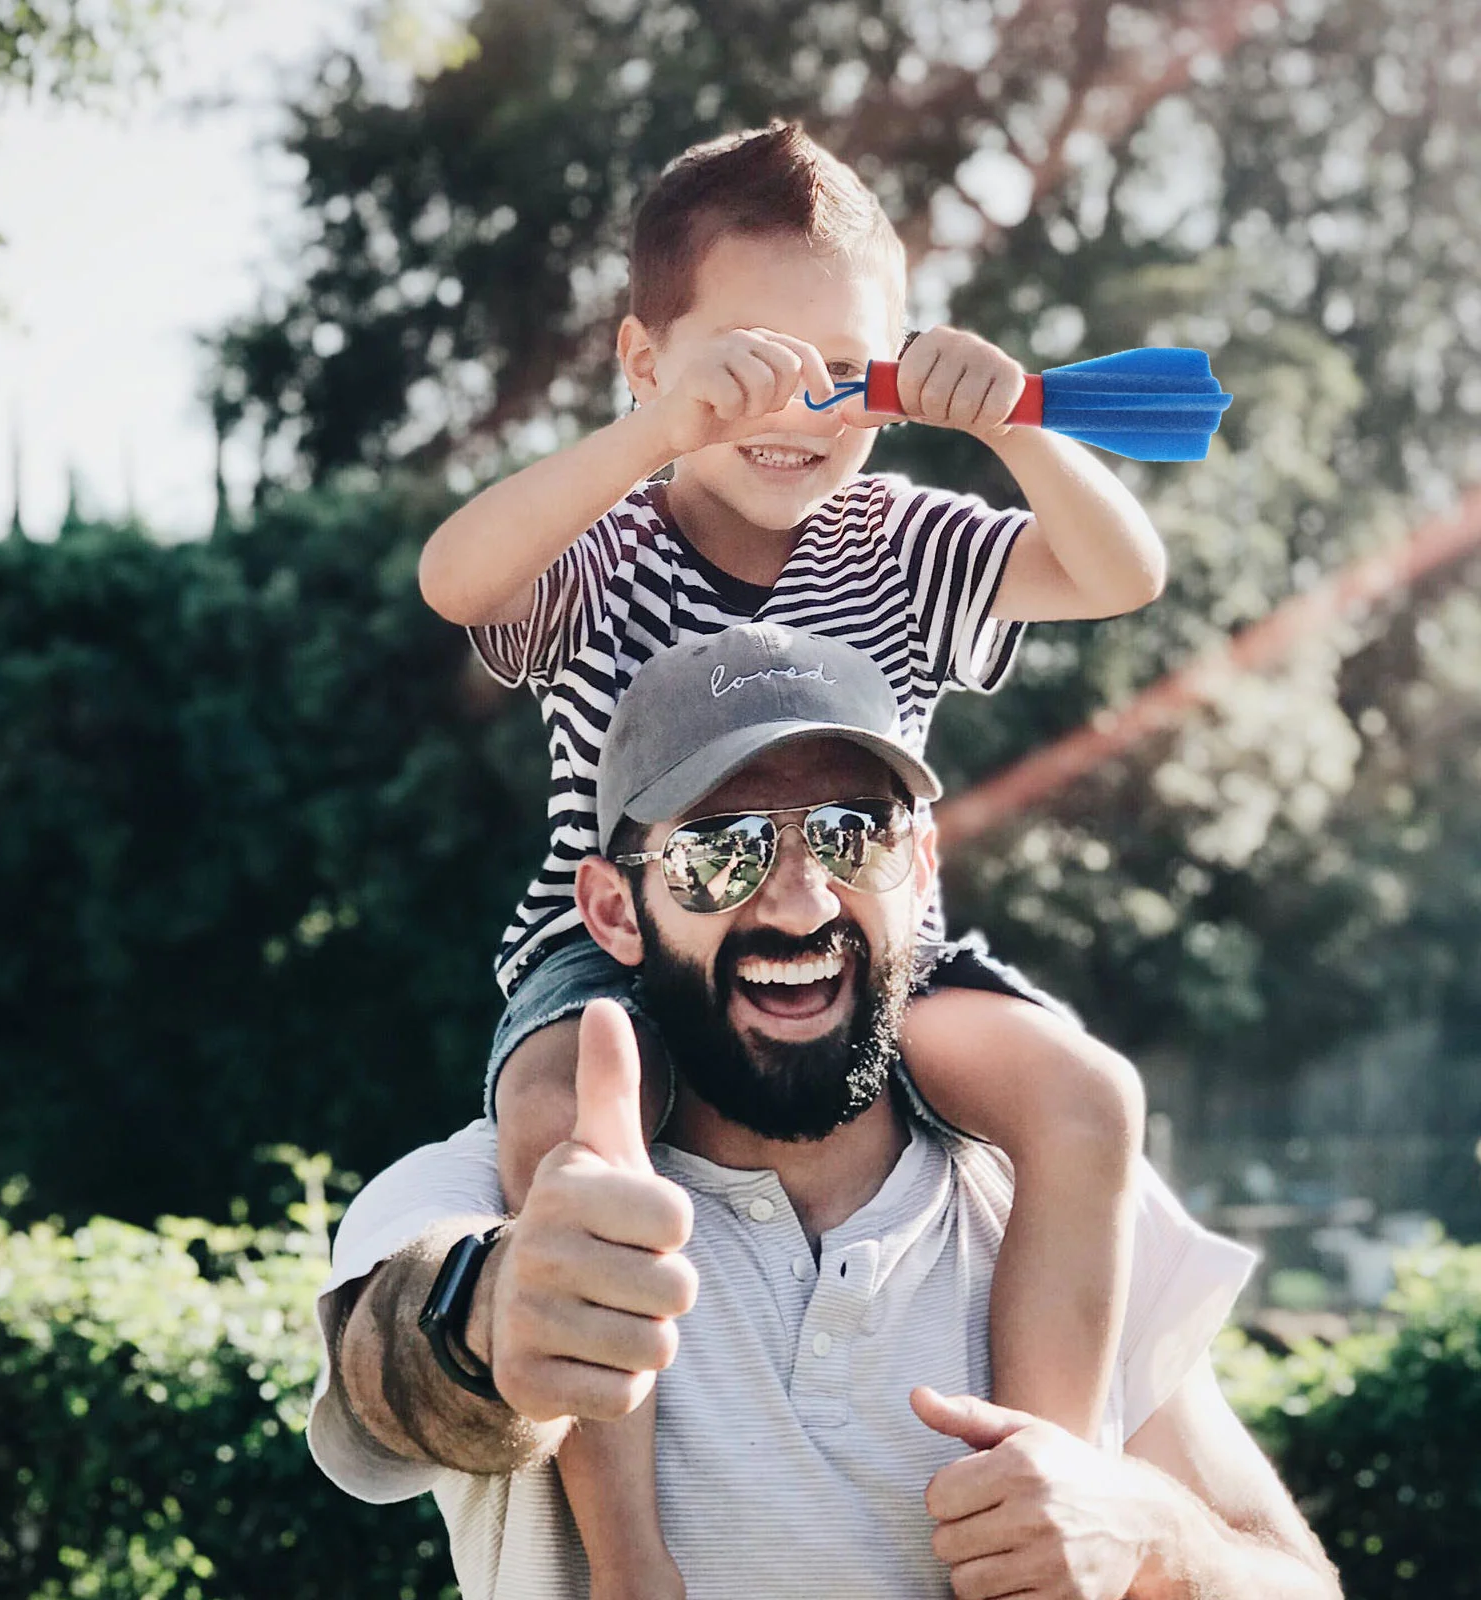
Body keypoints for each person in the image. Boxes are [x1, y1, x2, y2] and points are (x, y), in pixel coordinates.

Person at [418, 121, 1169, 1596]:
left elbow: (1119, 573)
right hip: (626, 948)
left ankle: (1030, 1487)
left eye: (848, 368)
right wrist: (653, 436)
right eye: (749, 360)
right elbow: (457, 578)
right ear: (649, 359)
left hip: (878, 952)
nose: (800, 404)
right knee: (570, 1107)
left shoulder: (901, 539)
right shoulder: (609, 544)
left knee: (1087, 1095)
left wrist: (1011, 418)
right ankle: (631, 1559)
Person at [308, 625, 1341, 1600]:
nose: (800, 903)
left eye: (853, 836)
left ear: (921, 870)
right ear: (615, 910)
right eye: (721, 849)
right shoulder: (506, 1192)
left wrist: (1153, 1534)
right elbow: (385, 1367)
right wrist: (484, 1320)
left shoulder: (1051, 1201)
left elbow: (1299, 1581)